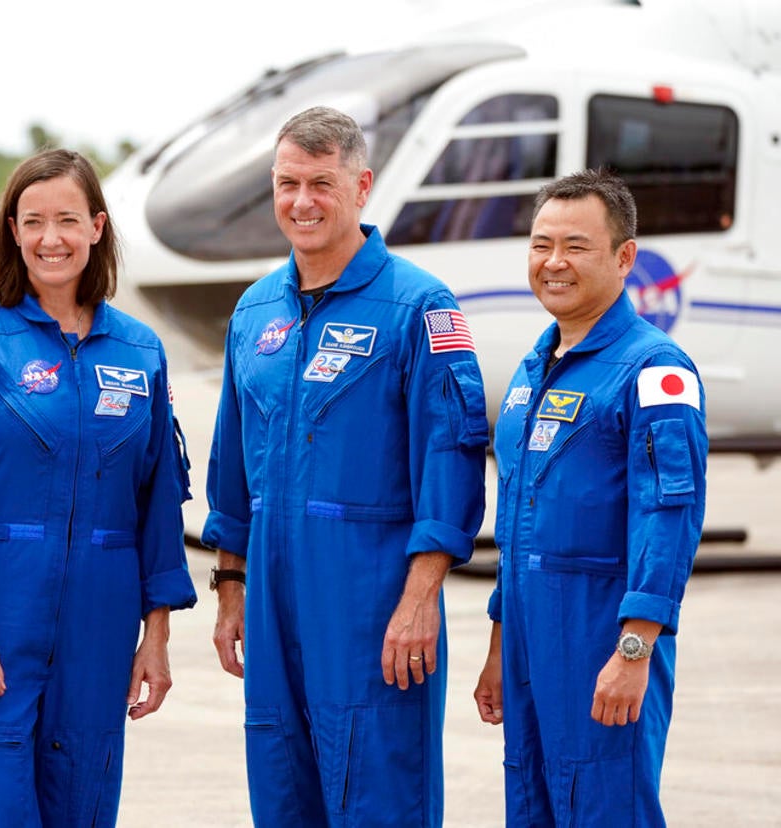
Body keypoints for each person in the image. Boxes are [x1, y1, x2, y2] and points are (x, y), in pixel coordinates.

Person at [204, 106, 489, 826]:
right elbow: (232, 467)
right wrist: (231, 587)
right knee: (280, 780)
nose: (302, 202)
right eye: (287, 183)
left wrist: (422, 595)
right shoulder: (254, 312)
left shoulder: (418, 307)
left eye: (321, 184)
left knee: (379, 785)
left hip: (371, 600)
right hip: (270, 595)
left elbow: (450, 460)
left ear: (361, 185)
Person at [0, 148, 197, 827]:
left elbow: (157, 507)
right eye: (32, 221)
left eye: (68, 220)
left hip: (101, 618)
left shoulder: (139, 352)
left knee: (83, 801)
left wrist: (155, 638)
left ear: (97, 227)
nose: (50, 239)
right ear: (12, 230)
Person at [473, 169, 707, 826]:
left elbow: (669, 516)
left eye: (575, 246)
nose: (553, 263)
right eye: (540, 244)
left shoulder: (654, 370)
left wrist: (635, 650)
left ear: (624, 257)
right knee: (534, 803)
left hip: (600, 639)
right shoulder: (531, 371)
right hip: (527, 644)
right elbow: (517, 522)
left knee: (606, 808)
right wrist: (500, 645)